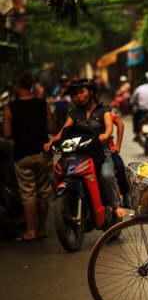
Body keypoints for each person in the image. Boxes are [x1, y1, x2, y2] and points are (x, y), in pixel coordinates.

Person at [43, 79, 127, 219]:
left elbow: (109, 128)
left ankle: (115, 205)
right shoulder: (74, 113)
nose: (78, 96)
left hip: (100, 151)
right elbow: (64, 131)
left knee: (107, 175)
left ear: (91, 92)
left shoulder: (103, 109)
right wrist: (51, 141)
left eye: (82, 92)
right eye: (75, 94)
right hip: (78, 152)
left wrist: (106, 135)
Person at [2, 72, 55, 241]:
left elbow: (7, 134)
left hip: (23, 156)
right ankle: (41, 230)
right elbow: (51, 127)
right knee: (43, 192)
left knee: (28, 194)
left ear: (17, 86)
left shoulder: (10, 107)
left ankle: (30, 231)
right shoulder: (42, 104)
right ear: (31, 85)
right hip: (43, 154)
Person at [109, 110, 130, 207]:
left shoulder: (104, 111)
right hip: (84, 151)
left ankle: (126, 196)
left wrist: (118, 145)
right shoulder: (75, 113)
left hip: (107, 149)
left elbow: (120, 123)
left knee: (119, 166)